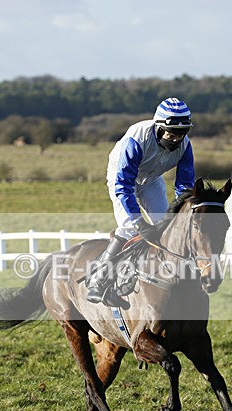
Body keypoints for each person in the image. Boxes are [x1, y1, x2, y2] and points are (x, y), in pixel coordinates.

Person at [86, 97, 196, 304]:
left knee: (166, 228)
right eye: (171, 133)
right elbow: (124, 186)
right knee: (130, 228)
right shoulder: (137, 139)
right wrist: (139, 222)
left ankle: (169, 277)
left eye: (182, 134)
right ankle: (99, 280)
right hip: (122, 180)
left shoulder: (185, 145)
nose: (176, 140)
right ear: (159, 127)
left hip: (152, 180)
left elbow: (184, 187)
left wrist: (179, 214)